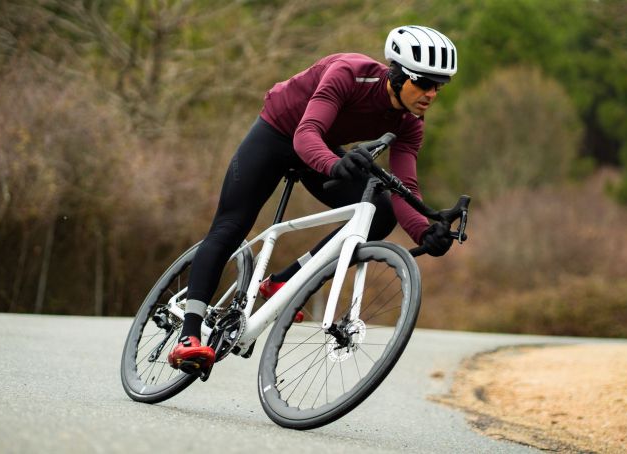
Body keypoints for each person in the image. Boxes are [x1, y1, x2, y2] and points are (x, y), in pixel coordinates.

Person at [168, 25, 457, 371]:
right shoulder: (349, 73)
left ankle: (284, 281)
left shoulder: (410, 123)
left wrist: (424, 231)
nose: (431, 94)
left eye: (439, 86)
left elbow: (403, 186)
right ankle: (188, 335)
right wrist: (334, 165)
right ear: (396, 74)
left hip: (322, 150)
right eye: (423, 83)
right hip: (278, 134)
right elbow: (306, 134)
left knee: (380, 211)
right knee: (230, 226)